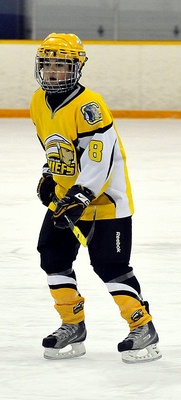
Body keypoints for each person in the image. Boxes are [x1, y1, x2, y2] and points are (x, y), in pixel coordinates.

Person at [30, 32, 162, 363]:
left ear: (75, 69)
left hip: (105, 204)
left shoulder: (90, 106)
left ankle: (142, 326)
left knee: (110, 265)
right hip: (67, 198)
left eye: (61, 66)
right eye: (48, 65)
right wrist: (50, 173)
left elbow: (98, 160)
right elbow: (58, 146)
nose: (53, 73)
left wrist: (80, 195)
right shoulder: (37, 101)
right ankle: (71, 324)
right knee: (53, 257)